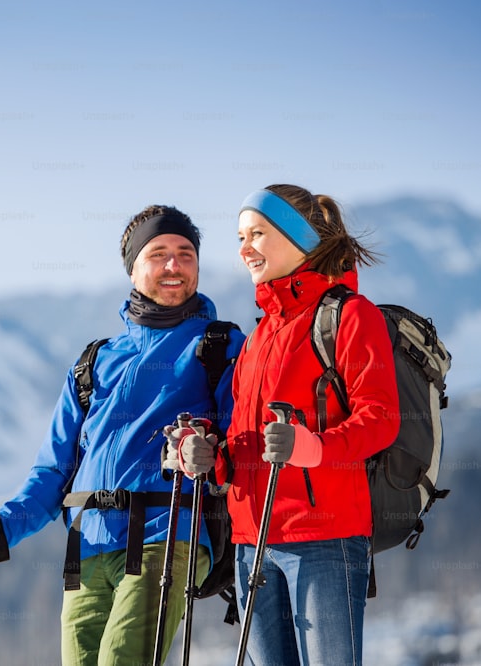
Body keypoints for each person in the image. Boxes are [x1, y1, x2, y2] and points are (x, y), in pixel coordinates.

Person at [0, 204, 245, 666]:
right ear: (133, 269)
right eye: (159, 253)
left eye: (185, 253)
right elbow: (53, 472)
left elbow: (239, 440)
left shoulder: (220, 346)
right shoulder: (93, 362)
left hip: (168, 537)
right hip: (87, 551)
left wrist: (209, 447)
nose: (174, 265)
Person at [173, 184, 400, 665]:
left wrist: (312, 448)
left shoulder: (350, 317)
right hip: (251, 542)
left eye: (257, 233)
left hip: (324, 539)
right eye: (240, 237)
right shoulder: (259, 336)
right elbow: (244, 442)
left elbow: (380, 420)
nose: (244, 248)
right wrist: (210, 456)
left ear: (298, 239)